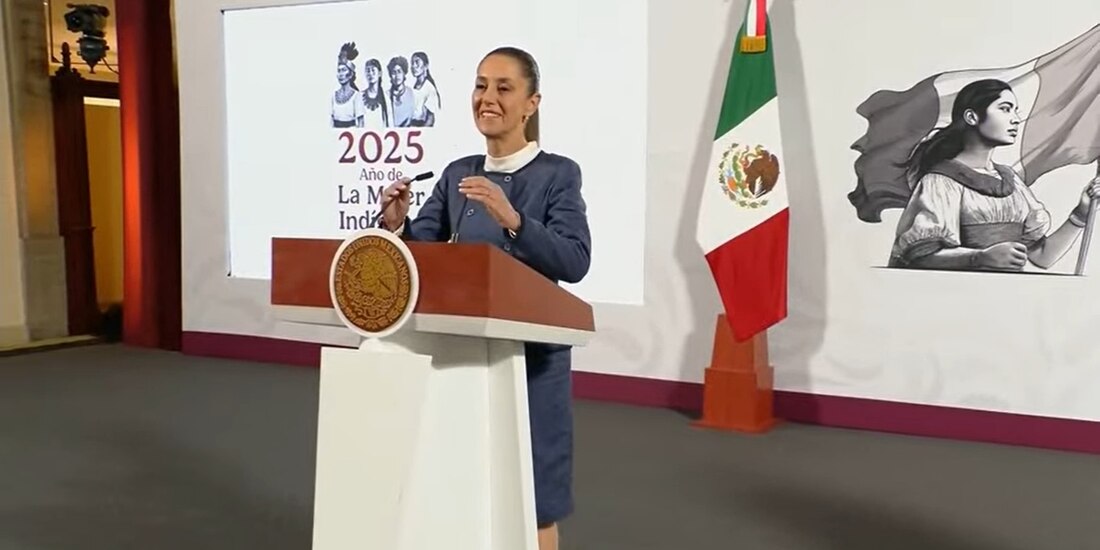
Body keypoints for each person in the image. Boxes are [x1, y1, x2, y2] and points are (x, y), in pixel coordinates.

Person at [378, 46, 590, 550]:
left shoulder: (559, 173)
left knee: (534, 499)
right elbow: (421, 255)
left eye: (503, 87)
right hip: (463, 356)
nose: (487, 98)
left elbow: (575, 259)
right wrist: (396, 225)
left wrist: (513, 220)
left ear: (531, 103)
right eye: (479, 85)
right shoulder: (457, 171)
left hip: (532, 361)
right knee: (465, 485)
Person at [890, 78, 1100, 271]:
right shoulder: (940, 182)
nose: (1016, 119)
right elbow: (919, 257)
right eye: (1005, 109)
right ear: (972, 117)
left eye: (1015, 110)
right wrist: (979, 257)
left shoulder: (1011, 182)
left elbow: (1042, 257)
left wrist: (1081, 214)